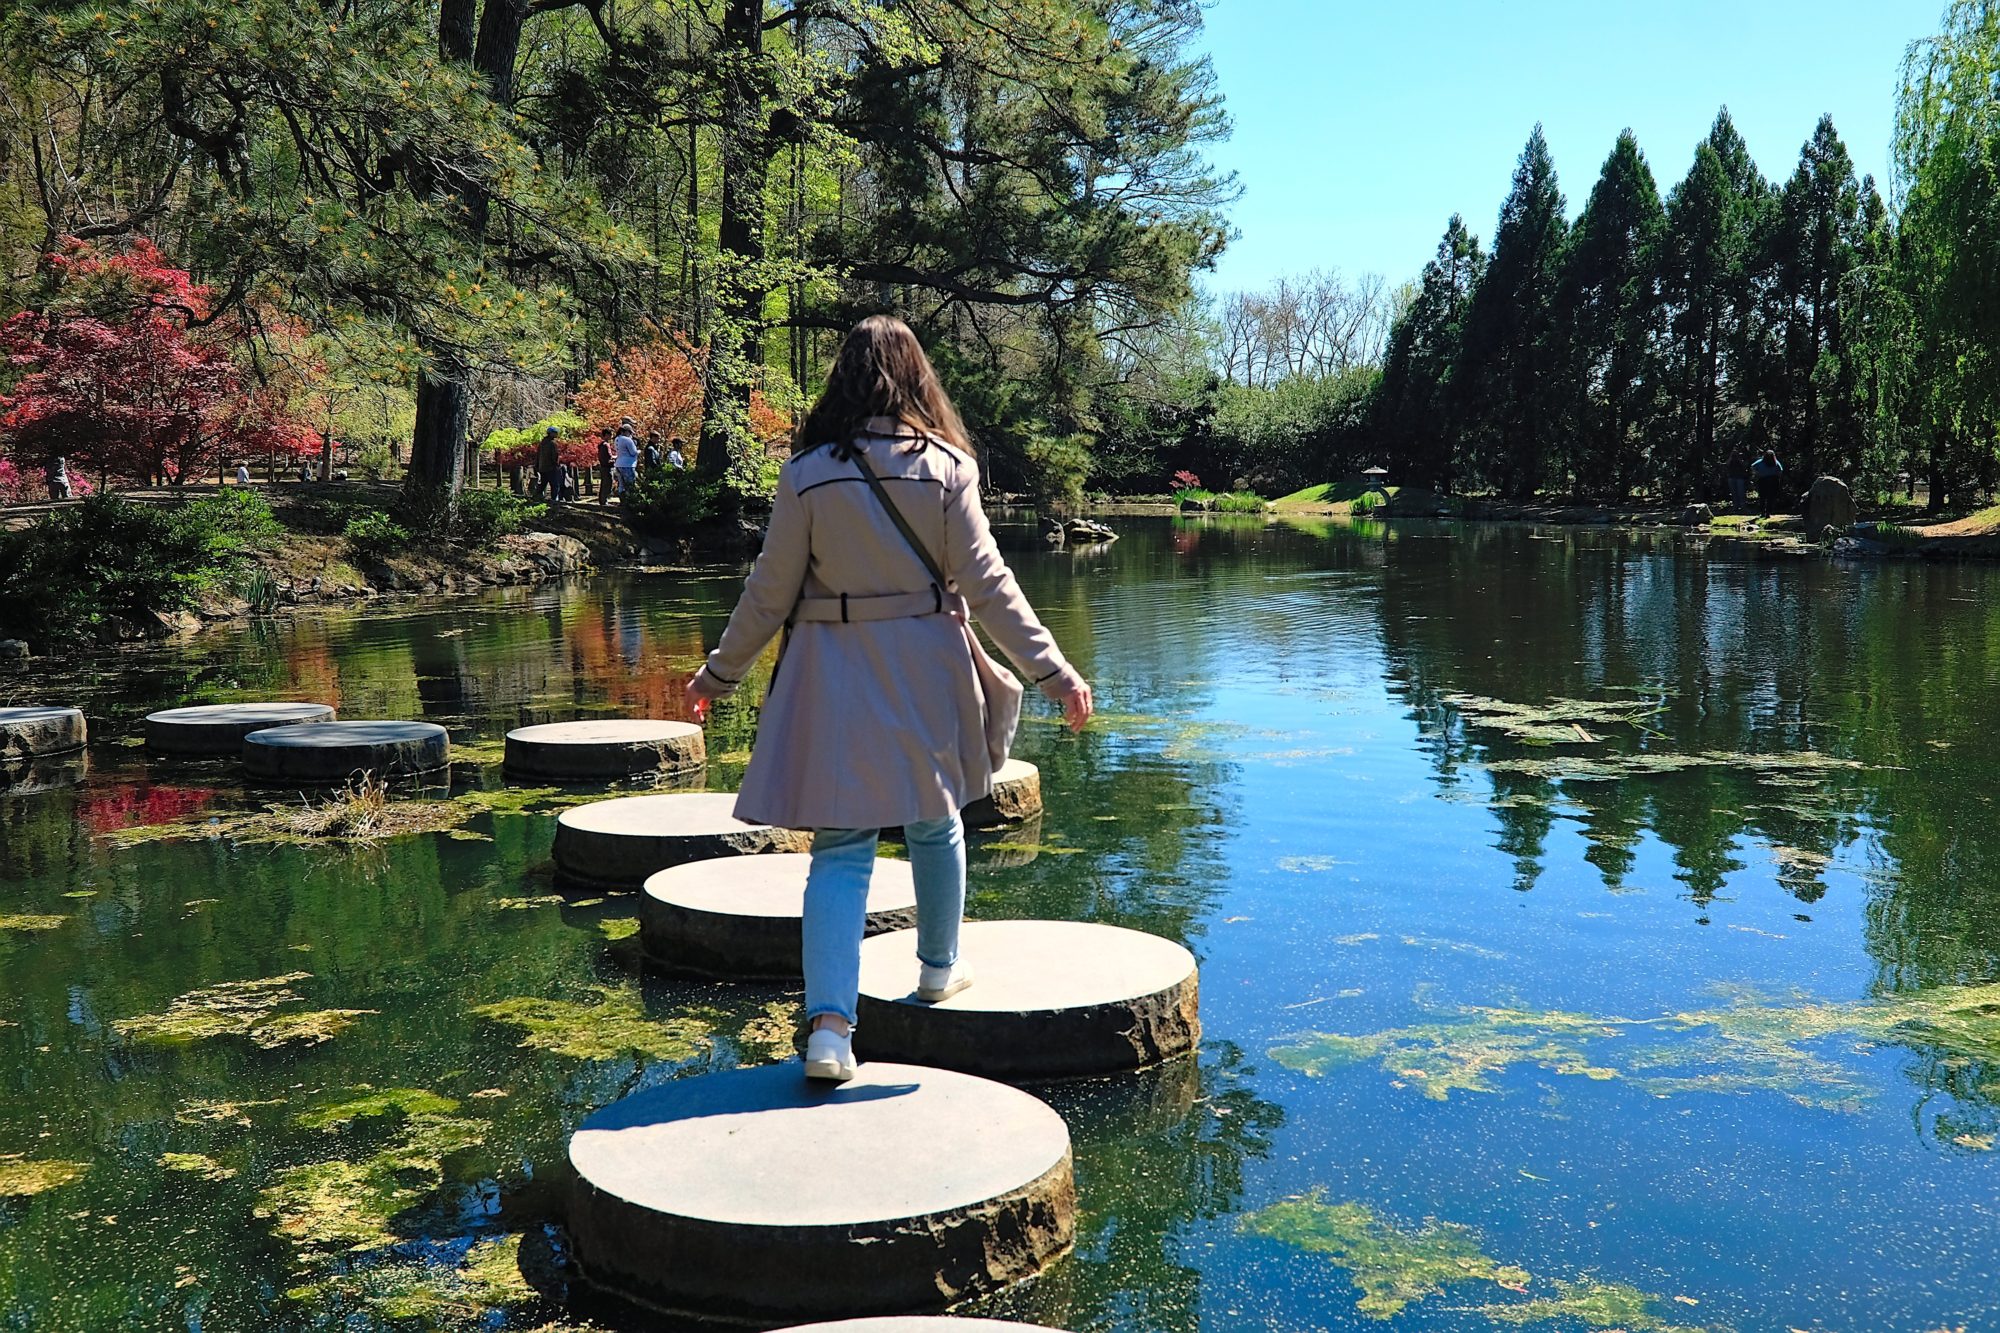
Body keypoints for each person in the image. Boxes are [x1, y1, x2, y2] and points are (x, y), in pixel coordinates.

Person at [684, 314, 1094, 1083]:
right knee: (936, 822)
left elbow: (768, 593)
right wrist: (1055, 672)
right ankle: (938, 968)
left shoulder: (806, 473)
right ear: (917, 380)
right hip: (926, 670)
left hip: (832, 673)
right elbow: (991, 586)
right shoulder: (946, 468)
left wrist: (718, 674)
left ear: (842, 379)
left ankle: (831, 1032)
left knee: (841, 852)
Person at [1751, 448, 1784, 518]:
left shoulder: (1761, 461)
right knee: (1770, 497)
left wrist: (1757, 473)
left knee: (1762, 497)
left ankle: (1763, 513)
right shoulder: (1775, 462)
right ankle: (1768, 513)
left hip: (1763, 480)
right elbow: (1780, 470)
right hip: (1773, 480)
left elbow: (1752, 466)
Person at [536, 425, 563, 503]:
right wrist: (557, 465)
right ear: (551, 433)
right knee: (555, 485)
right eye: (555, 433)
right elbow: (555, 456)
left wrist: (537, 466)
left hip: (542, 468)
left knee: (542, 485)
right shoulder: (552, 443)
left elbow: (538, 456)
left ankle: (537, 498)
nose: (557, 434)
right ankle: (554, 501)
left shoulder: (542, 443)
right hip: (551, 468)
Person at [613, 423, 639, 499]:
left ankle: (622, 500)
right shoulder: (627, 440)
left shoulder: (617, 439)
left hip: (618, 464)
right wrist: (638, 451)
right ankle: (630, 501)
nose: (630, 434)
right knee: (630, 485)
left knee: (621, 485)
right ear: (625, 431)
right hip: (628, 465)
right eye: (630, 432)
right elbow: (633, 452)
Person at [596, 427, 615, 504]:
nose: (612, 437)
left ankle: (603, 500)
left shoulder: (601, 445)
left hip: (603, 467)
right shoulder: (605, 445)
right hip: (607, 467)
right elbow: (608, 457)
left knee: (604, 484)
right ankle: (604, 500)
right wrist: (615, 458)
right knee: (607, 484)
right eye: (611, 435)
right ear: (606, 435)